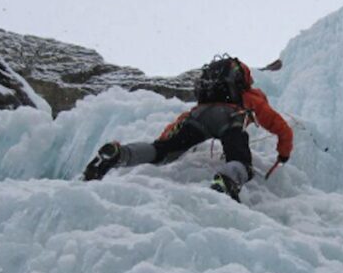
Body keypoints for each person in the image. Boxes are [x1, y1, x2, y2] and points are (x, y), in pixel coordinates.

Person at [83, 55, 293, 202]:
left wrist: (164, 141)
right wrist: (283, 154)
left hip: (198, 116)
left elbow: (181, 121)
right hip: (230, 118)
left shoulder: (208, 98)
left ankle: (119, 154)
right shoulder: (251, 97)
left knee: (162, 152)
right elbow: (280, 127)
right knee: (242, 164)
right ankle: (227, 180)